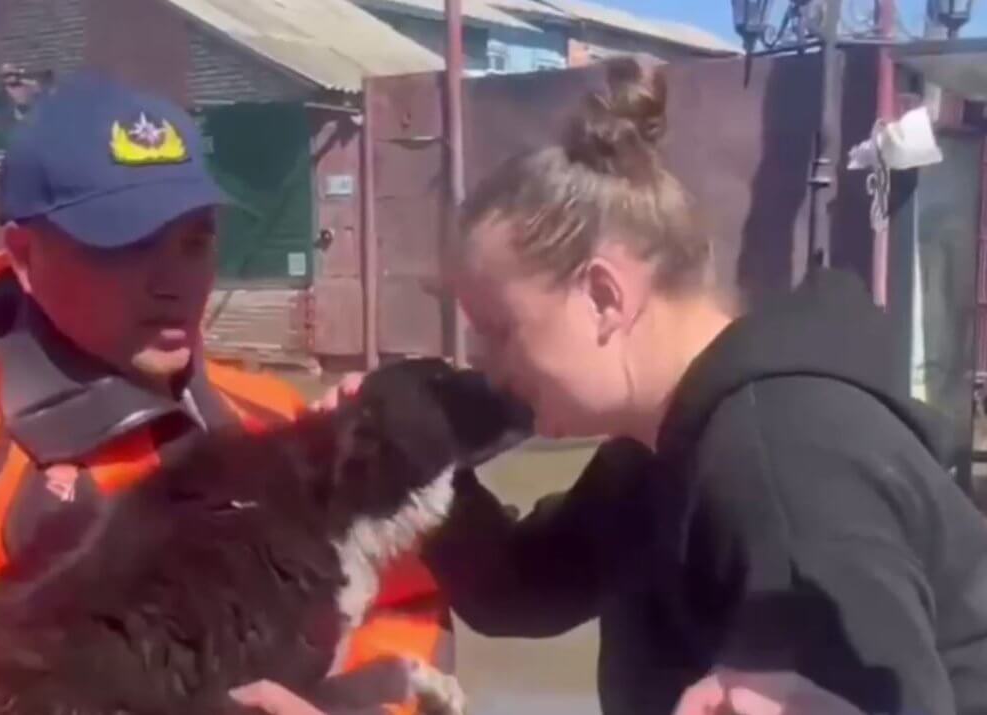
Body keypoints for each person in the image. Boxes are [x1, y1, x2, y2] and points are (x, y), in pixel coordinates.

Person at [265, 56, 987, 715]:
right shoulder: (659, 448)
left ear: (604, 296)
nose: (486, 363)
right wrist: (406, 452)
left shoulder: (777, 462)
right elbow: (523, 587)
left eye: (499, 328)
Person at [0, 72, 450, 714]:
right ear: (24, 255)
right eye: (126, 248)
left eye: (195, 243)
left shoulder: (271, 422)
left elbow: (406, 601)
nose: (173, 283)